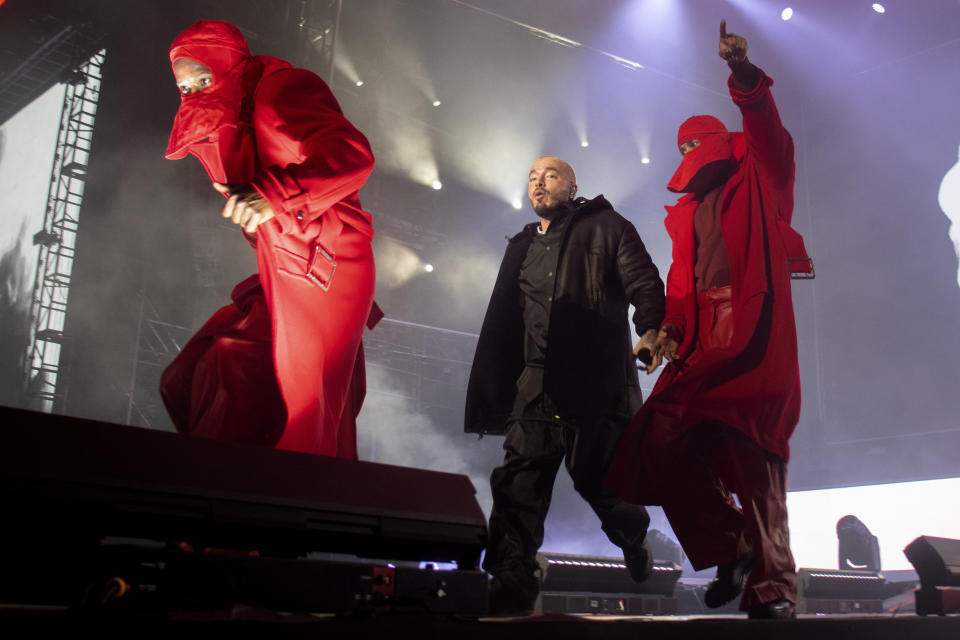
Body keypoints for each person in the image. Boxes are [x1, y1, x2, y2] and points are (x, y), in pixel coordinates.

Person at [606, 20, 812, 619]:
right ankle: (734, 544)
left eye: (694, 146)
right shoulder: (686, 213)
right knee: (658, 437)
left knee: (756, 461)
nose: (687, 158)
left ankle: (773, 587)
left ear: (719, 140)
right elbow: (681, 284)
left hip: (752, 336)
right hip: (701, 342)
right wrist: (665, 330)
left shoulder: (760, 174)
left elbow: (767, 128)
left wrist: (742, 74)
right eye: (681, 151)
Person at [159, 20, 380, 459]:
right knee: (208, 365)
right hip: (290, 263)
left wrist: (272, 194)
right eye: (185, 88)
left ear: (229, 66)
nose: (194, 93)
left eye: (203, 79)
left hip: (328, 262)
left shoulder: (280, 91)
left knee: (258, 374)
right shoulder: (232, 121)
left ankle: (264, 490)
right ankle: (233, 488)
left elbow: (354, 155)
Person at [465, 155, 666, 614]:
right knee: (517, 487)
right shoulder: (521, 247)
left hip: (591, 381)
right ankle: (511, 582)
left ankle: (633, 533)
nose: (538, 183)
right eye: (532, 177)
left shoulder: (608, 226)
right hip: (534, 387)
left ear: (573, 186)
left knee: (599, 483)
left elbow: (644, 281)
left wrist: (651, 329)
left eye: (550, 175)